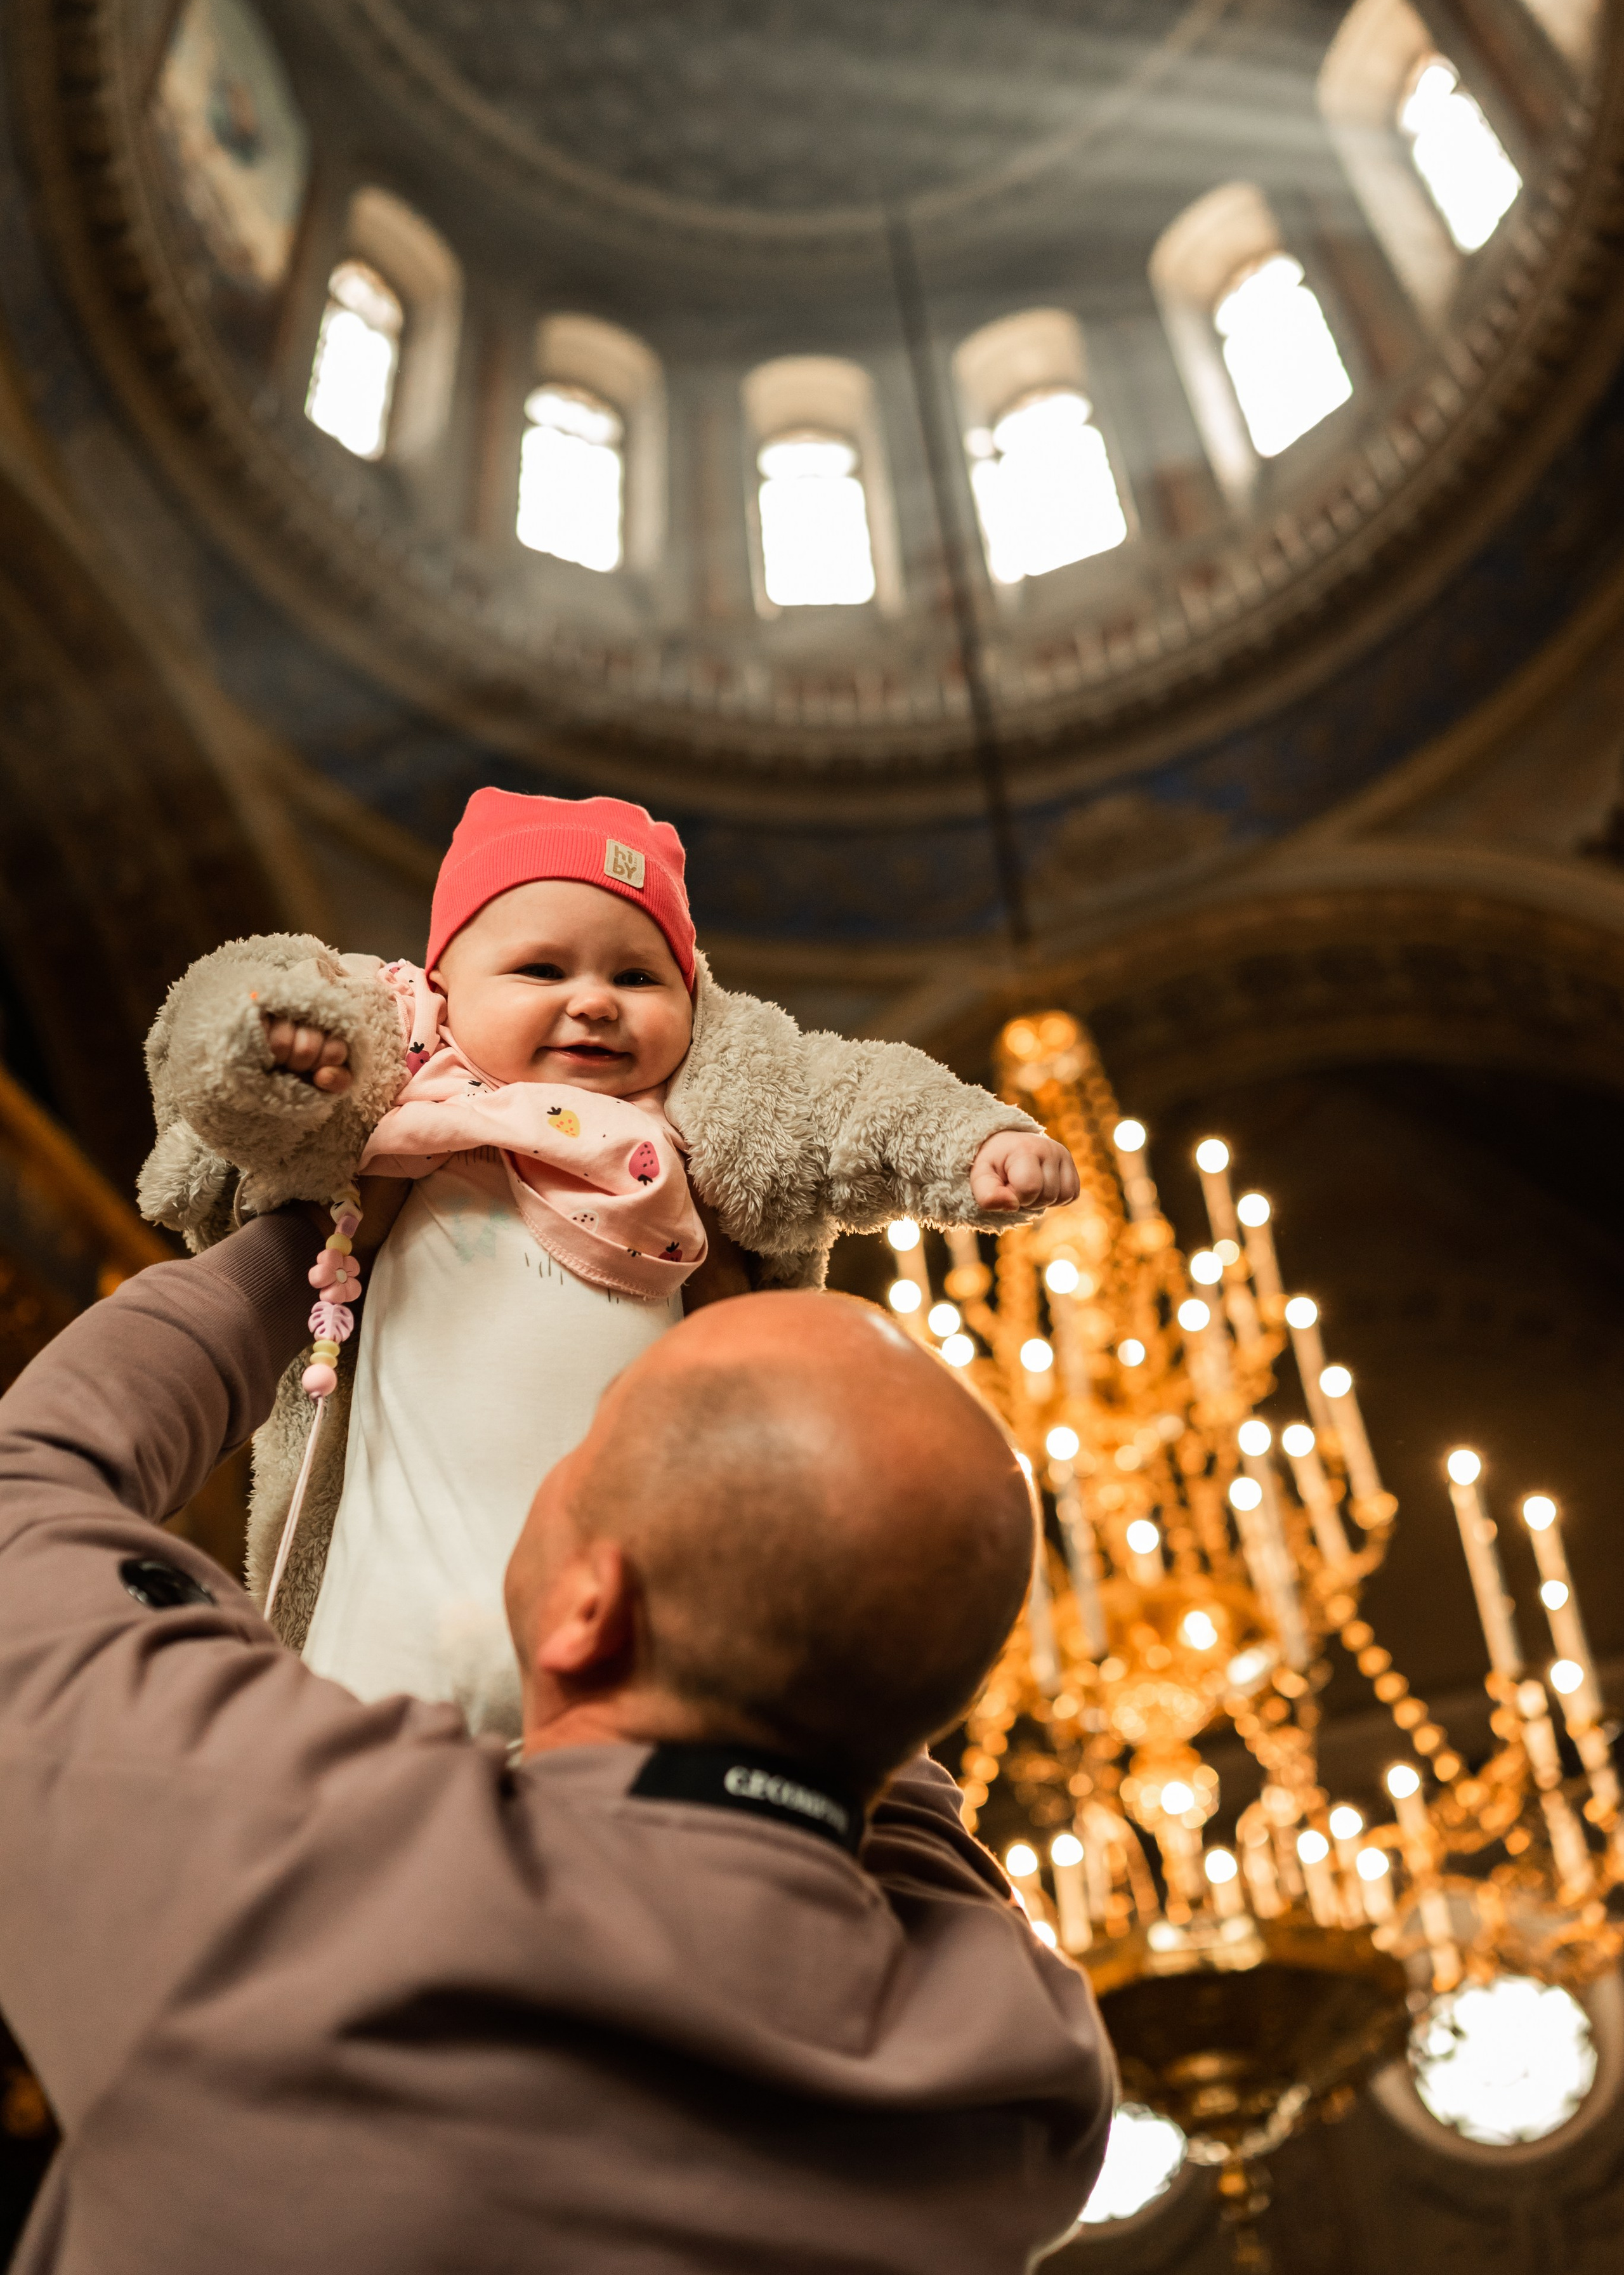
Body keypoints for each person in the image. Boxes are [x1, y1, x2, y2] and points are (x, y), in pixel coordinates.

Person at [0, 1217, 1113, 2274]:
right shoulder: (1019, 2067)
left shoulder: (297, 1854)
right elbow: (874, 1718)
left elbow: (25, 1487)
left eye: (593, 1433)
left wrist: (324, 1244)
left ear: (591, 1609)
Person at [137, 789, 1080, 1734]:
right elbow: (242, 1097)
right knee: (377, 1796)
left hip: (644, 1594)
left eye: (638, 979)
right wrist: (279, 1053)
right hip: (401, 1590)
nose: (593, 1002)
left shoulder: (700, 1113)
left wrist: (971, 1143)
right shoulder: (407, 1094)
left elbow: (848, 1098)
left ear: (694, 1003)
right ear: (442, 990)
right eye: (541, 968)